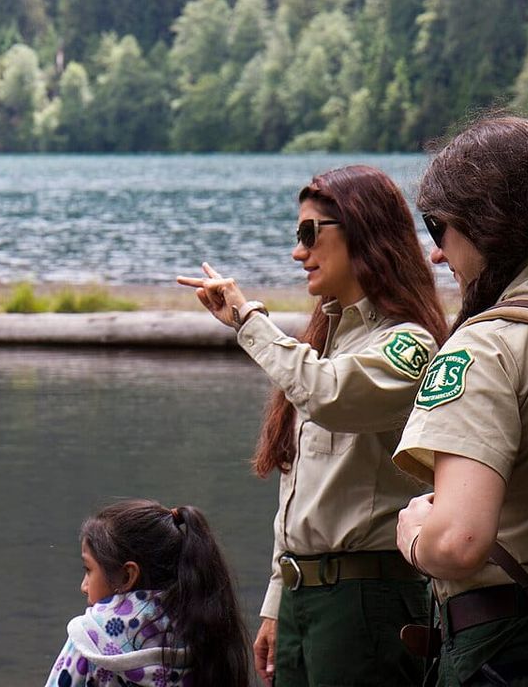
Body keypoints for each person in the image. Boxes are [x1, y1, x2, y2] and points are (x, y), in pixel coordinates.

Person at [177, 164, 448, 686]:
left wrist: (248, 320)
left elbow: (331, 396)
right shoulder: (325, 345)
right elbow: (298, 491)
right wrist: (278, 601)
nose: (298, 253)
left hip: (367, 600)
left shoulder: (410, 343)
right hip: (307, 597)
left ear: (363, 231)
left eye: (308, 234)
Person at [393, 115, 528, 685]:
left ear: (483, 225)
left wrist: (416, 532)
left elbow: (461, 540)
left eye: (438, 228)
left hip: (509, 648)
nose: (436, 255)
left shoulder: (484, 346)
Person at [43, 499, 251, 687]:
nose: (84, 586)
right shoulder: (203, 629)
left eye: (89, 570)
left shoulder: (90, 638)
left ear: (127, 576)